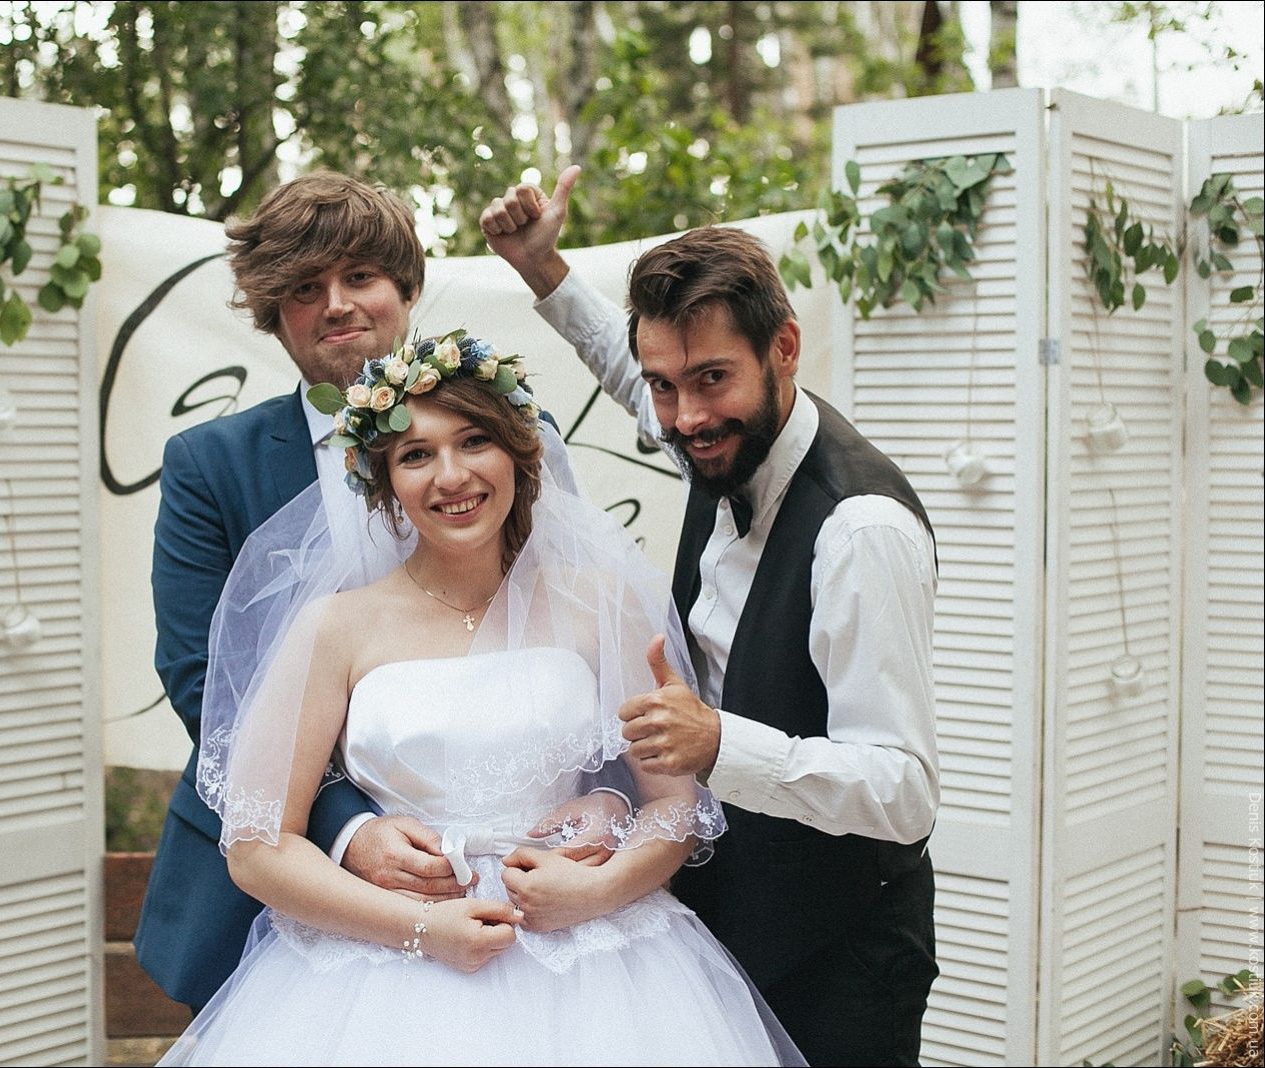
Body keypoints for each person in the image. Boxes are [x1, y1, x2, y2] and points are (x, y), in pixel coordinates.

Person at [158, 333, 804, 1066]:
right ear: (383, 480)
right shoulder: (333, 628)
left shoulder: (601, 605)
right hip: (384, 979)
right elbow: (257, 849)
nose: (451, 476)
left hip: (599, 974)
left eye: (474, 441)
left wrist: (598, 890)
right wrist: (419, 929)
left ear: (519, 454)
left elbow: (676, 806)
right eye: (416, 454)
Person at [479, 168, 940, 1067]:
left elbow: (903, 789)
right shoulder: (714, 431)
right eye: (665, 386)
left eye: (711, 379)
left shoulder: (860, 532)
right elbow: (634, 371)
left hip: (843, 953)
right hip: (723, 917)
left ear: (785, 348)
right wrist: (541, 268)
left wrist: (719, 744)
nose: (685, 417)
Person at [136, 172, 468, 1013]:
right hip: (264, 890)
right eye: (304, 289)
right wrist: (345, 827)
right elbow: (202, 681)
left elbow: (565, 630)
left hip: (480, 858)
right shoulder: (209, 466)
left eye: (360, 276)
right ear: (273, 314)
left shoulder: (503, 446)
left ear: (407, 288)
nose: (337, 305)